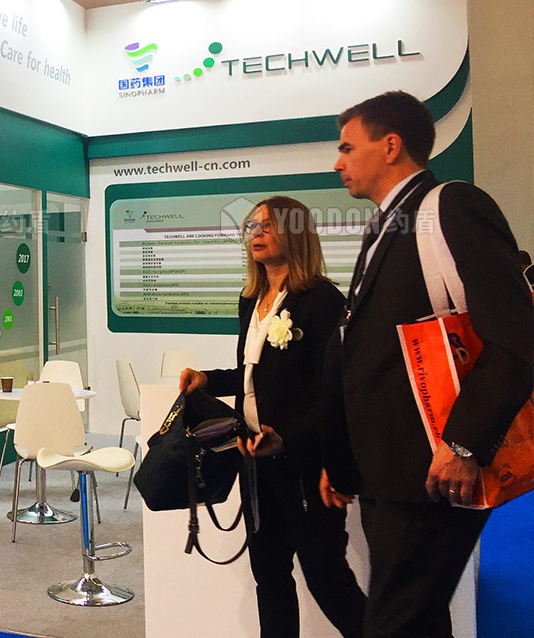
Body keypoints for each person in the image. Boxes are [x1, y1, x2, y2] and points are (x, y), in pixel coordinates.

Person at [324, 90, 534, 638]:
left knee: (395, 624)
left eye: (347, 147)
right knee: (417, 623)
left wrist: (463, 445)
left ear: (391, 146)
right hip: (390, 474)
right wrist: (343, 461)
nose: (338, 162)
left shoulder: (451, 206)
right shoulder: (387, 225)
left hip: (436, 470)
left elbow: (516, 340)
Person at [181, 195, 366, 638]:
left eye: (268, 225)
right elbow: (253, 376)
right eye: (252, 226)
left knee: (327, 579)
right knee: (269, 576)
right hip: (256, 463)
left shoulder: (321, 300)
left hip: (305, 466)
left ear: (295, 233)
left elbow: (333, 391)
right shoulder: (252, 298)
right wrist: (208, 379)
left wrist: (289, 438)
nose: (257, 233)